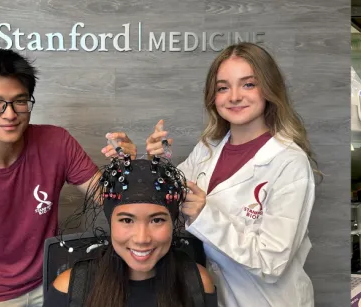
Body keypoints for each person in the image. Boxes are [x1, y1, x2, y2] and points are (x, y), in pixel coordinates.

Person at [104, 42, 320, 306]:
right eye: (223, 87)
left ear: (269, 88)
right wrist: (139, 161)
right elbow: (164, 198)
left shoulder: (289, 163)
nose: (234, 96)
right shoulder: (208, 149)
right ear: (213, 96)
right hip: (207, 295)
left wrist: (203, 215)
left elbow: (271, 263)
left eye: (248, 84)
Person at [0, 48, 136, 307]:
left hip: (51, 280)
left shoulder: (57, 143)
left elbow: (110, 199)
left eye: (20, 101)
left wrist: (126, 166)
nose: (10, 114)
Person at [45, 157, 217, 307]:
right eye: (127, 220)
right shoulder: (70, 288)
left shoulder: (197, 283)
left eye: (157, 220)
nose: (142, 238)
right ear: (111, 223)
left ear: (172, 222)